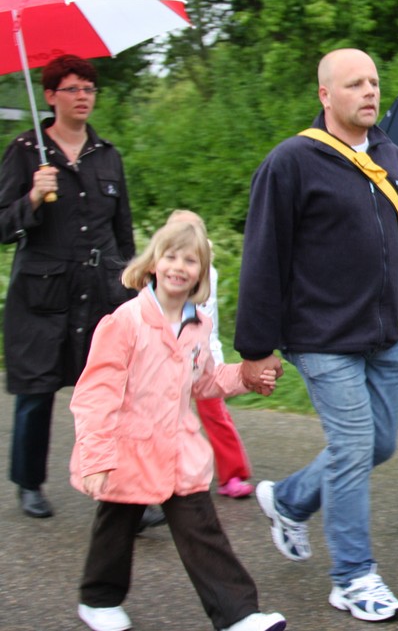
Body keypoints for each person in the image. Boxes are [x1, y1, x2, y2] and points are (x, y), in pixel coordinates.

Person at [235, 48, 398, 623]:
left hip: (381, 337)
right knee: (356, 446)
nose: (369, 92)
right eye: (355, 83)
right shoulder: (292, 162)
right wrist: (255, 349)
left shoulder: (391, 158)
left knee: (378, 444)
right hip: (319, 338)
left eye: (374, 82)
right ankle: (353, 577)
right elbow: (263, 257)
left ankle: (289, 501)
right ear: (325, 94)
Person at [70, 217, 285, 631]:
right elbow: (96, 394)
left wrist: (246, 376)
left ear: (202, 272)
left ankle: (240, 615)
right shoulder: (125, 321)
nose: (179, 267)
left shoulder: (199, 326)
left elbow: (203, 382)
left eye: (190, 260)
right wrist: (96, 458)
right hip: (126, 449)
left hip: (177, 450)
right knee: (116, 525)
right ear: (154, 262)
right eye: (171, 257)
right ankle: (98, 600)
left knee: (201, 529)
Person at [0, 54, 135, 519]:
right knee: (36, 392)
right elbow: (3, 225)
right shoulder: (25, 151)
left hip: (100, 290)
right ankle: (29, 483)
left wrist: (132, 289)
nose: (83, 97)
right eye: (73, 88)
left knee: (106, 393)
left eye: (89, 89)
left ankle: (121, 486)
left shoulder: (108, 155)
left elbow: (122, 231)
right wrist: (33, 197)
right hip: (42, 293)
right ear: (50, 95)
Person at [170, 209, 255, 499]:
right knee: (170, 418)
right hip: (168, 361)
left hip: (204, 357)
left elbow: (205, 320)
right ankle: (167, 473)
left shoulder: (208, 273)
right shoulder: (159, 274)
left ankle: (232, 474)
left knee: (215, 414)